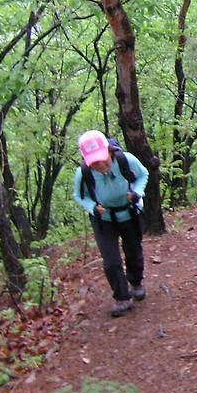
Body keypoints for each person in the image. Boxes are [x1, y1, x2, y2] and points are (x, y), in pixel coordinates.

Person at [73, 130, 150, 317]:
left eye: (103, 158)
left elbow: (143, 174)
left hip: (129, 213)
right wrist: (92, 207)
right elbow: (79, 195)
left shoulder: (127, 160)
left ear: (109, 150)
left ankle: (136, 282)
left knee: (133, 251)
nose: (100, 164)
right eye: (94, 162)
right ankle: (122, 297)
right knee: (110, 260)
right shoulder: (83, 173)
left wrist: (137, 193)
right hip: (104, 220)